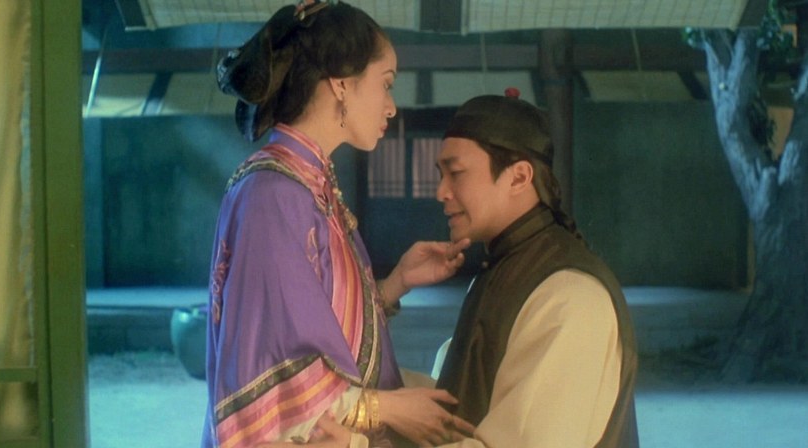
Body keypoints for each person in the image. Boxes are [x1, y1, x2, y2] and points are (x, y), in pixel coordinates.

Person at [201, 1, 474, 447]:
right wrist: (387, 409)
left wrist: (396, 283)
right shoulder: (272, 194)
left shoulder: (308, 182)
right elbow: (272, 373)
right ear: (342, 83)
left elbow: (312, 323)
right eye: (386, 84)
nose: (391, 107)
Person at [431, 89, 640, 447]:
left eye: (457, 173)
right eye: (441, 174)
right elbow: (461, 395)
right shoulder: (502, 267)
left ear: (518, 177)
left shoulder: (569, 296)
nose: (441, 192)